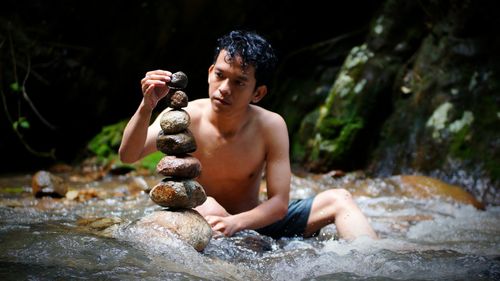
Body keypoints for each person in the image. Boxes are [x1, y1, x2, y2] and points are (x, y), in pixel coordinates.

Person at [119, 30, 377, 240]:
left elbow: (278, 204)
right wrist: (147, 105)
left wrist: (235, 223)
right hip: (204, 219)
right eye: (220, 75)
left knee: (339, 199)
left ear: (258, 93)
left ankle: (375, 262)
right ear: (210, 73)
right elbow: (129, 154)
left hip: (253, 221)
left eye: (239, 82)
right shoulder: (186, 117)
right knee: (207, 202)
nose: (224, 89)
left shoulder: (271, 126)